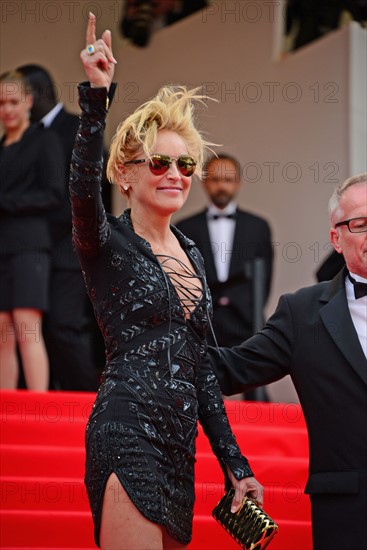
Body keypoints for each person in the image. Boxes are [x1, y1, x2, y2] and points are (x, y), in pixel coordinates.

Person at [71, 13, 263, 550]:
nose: (175, 173)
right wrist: (96, 98)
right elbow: (81, 189)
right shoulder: (104, 241)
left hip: (182, 449)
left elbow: (201, 365)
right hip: (125, 427)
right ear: (126, 174)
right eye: (158, 162)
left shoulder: (193, 253)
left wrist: (234, 461)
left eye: (185, 163)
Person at [207, 172, 367, 549]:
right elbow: (230, 370)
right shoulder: (302, 313)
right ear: (336, 239)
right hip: (348, 512)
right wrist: (155, 340)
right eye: (361, 224)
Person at [16, 63, 107, 391]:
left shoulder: (76, 128)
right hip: (29, 252)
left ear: (35, 95)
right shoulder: (21, 136)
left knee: (64, 326)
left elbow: (97, 190)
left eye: (19, 97)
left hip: (70, 248)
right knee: (28, 330)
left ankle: (87, 404)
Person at [177, 153, 273, 400]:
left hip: (246, 319)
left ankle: (261, 436)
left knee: (256, 389)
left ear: (238, 182)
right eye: (216, 179)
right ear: (205, 182)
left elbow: (265, 277)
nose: (222, 185)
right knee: (197, 387)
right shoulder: (184, 227)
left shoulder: (258, 226)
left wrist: (250, 308)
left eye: (228, 179)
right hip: (203, 320)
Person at [0, 70, 64, 390]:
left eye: (13, 101)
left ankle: (38, 406)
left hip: (30, 245)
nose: (7, 109)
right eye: (1, 103)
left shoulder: (44, 139)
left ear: (27, 101)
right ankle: (6, 410)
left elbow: (54, 194)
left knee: (27, 325)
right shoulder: (1, 147)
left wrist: (6, 202)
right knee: (2, 330)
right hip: (2, 246)